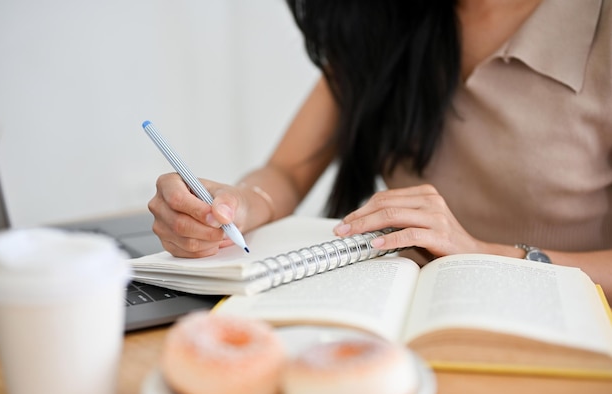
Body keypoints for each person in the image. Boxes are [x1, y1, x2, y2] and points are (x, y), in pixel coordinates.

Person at [148, 0, 612, 299]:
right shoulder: (383, 23)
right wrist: (237, 204)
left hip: (565, 334)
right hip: (397, 314)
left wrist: (479, 253)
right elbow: (287, 172)